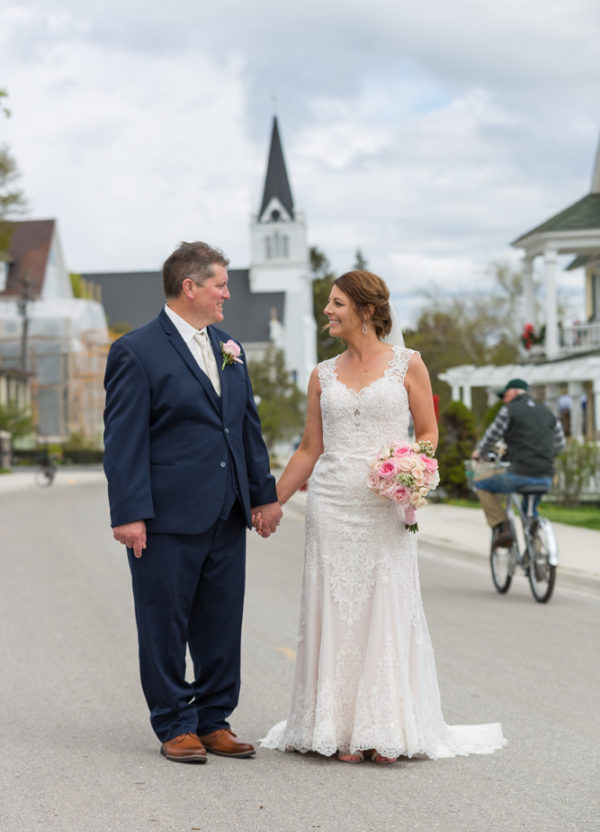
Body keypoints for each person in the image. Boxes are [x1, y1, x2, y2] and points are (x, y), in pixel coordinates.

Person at [261, 270, 506, 764]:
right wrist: (272, 502)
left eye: (336, 304)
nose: (327, 311)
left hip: (385, 503)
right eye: (328, 304)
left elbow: (428, 430)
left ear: (367, 311)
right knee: (335, 607)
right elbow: (310, 449)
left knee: (385, 605)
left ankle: (384, 726)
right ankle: (337, 727)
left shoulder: (408, 365)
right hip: (331, 503)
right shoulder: (321, 375)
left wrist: (412, 471)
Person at [103, 241, 281, 764]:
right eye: (220, 284)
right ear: (190, 287)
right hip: (164, 516)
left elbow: (247, 427)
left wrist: (263, 496)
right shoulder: (135, 350)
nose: (228, 293)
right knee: (164, 622)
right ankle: (174, 723)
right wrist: (128, 513)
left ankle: (213, 719)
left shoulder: (230, 346)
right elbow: (124, 440)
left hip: (226, 511)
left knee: (221, 621)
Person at [472, 378, 566, 548]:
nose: (503, 400)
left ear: (514, 392)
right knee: (529, 512)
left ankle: (501, 526)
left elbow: (492, 436)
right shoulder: (548, 413)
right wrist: (544, 456)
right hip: (545, 476)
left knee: (480, 483)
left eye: (505, 395)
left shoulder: (509, 410)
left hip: (519, 474)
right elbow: (560, 444)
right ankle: (536, 555)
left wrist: (480, 453)